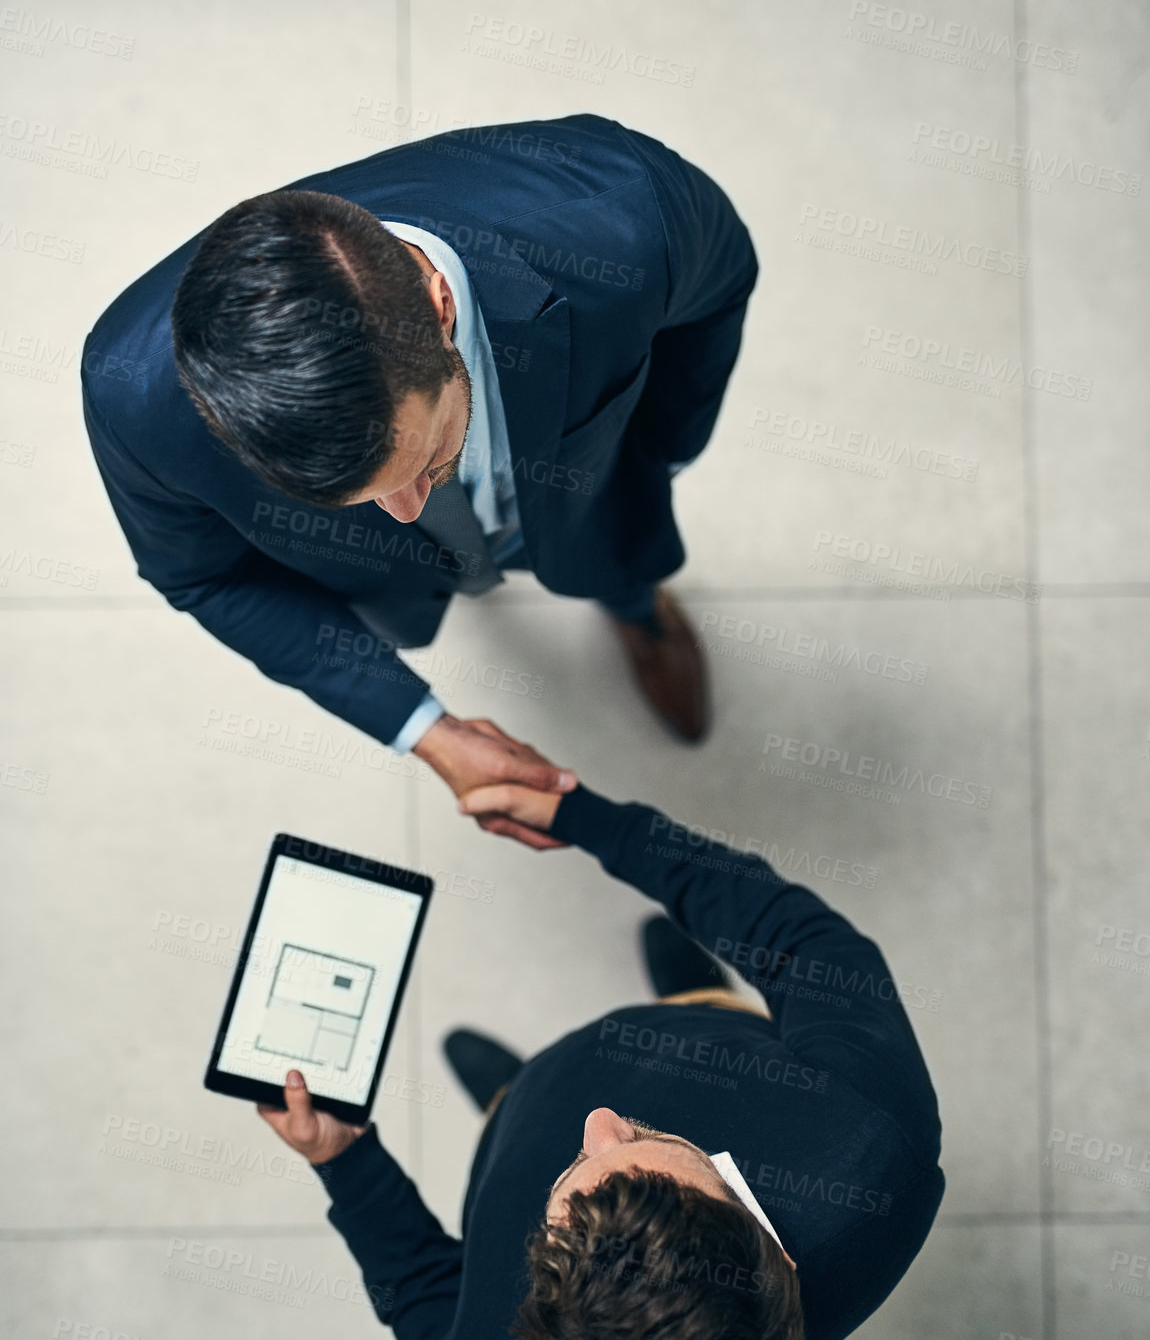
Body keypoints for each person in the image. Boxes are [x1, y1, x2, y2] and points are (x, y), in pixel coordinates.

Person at [258, 737, 945, 1340]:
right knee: (671, 1021)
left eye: (566, 1196)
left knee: (523, 1112)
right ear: (768, 1244)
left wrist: (347, 1162)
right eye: (646, 1144)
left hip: (523, 1131)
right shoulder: (870, 1130)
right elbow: (804, 947)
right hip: (711, 1046)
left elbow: (429, 1295)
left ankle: (507, 1097)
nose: (598, 1121)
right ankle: (687, 992)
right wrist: (594, 822)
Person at [80, 114, 759, 841]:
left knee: (612, 545)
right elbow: (203, 578)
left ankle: (637, 612)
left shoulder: (626, 212)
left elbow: (720, 286)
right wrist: (425, 729)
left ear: (439, 306)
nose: (404, 511)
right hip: (389, 572)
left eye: (427, 461)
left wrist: (657, 457)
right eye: (361, 494)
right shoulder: (133, 396)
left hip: (575, 483)